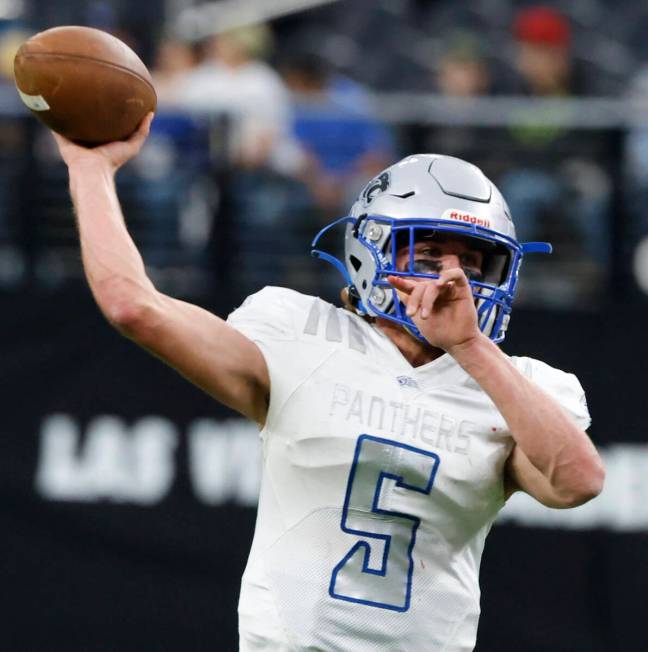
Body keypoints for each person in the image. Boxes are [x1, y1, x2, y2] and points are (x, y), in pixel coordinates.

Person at [52, 114, 604, 651]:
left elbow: (577, 481)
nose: (452, 278)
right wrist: (90, 167)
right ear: (371, 252)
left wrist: (472, 348)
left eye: (474, 264)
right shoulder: (300, 331)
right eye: (430, 254)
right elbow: (133, 307)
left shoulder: (522, 384)